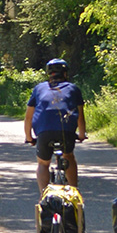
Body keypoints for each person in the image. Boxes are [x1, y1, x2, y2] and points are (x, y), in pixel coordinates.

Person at [23, 58, 87, 193]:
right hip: (66, 130)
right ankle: (75, 193)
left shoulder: (39, 88)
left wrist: (29, 137)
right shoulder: (73, 89)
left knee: (43, 163)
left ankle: (43, 197)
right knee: (68, 156)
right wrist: (81, 135)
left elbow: (28, 117)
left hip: (44, 132)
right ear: (65, 74)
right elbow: (80, 116)